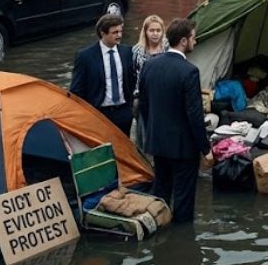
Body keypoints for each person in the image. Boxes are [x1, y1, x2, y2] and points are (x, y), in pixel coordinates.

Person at [137, 18, 211, 224]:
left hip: (158, 142)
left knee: (161, 192)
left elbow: (143, 105)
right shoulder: (189, 71)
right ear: (184, 41)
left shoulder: (149, 66)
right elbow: (194, 115)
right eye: (193, 38)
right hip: (182, 146)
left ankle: (159, 232)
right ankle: (182, 242)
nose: (195, 42)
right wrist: (205, 148)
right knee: (184, 199)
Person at [70, 13, 137, 135]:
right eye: (115, 32)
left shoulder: (127, 52)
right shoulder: (85, 56)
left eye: (120, 31)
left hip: (123, 112)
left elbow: (132, 80)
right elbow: (76, 89)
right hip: (99, 113)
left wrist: (129, 107)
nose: (119, 36)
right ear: (102, 33)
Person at [131, 15, 168, 151]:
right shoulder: (136, 50)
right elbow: (134, 74)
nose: (155, 34)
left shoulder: (167, 49)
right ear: (145, 31)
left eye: (158, 30)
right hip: (143, 96)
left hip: (164, 95)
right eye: (151, 30)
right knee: (145, 129)